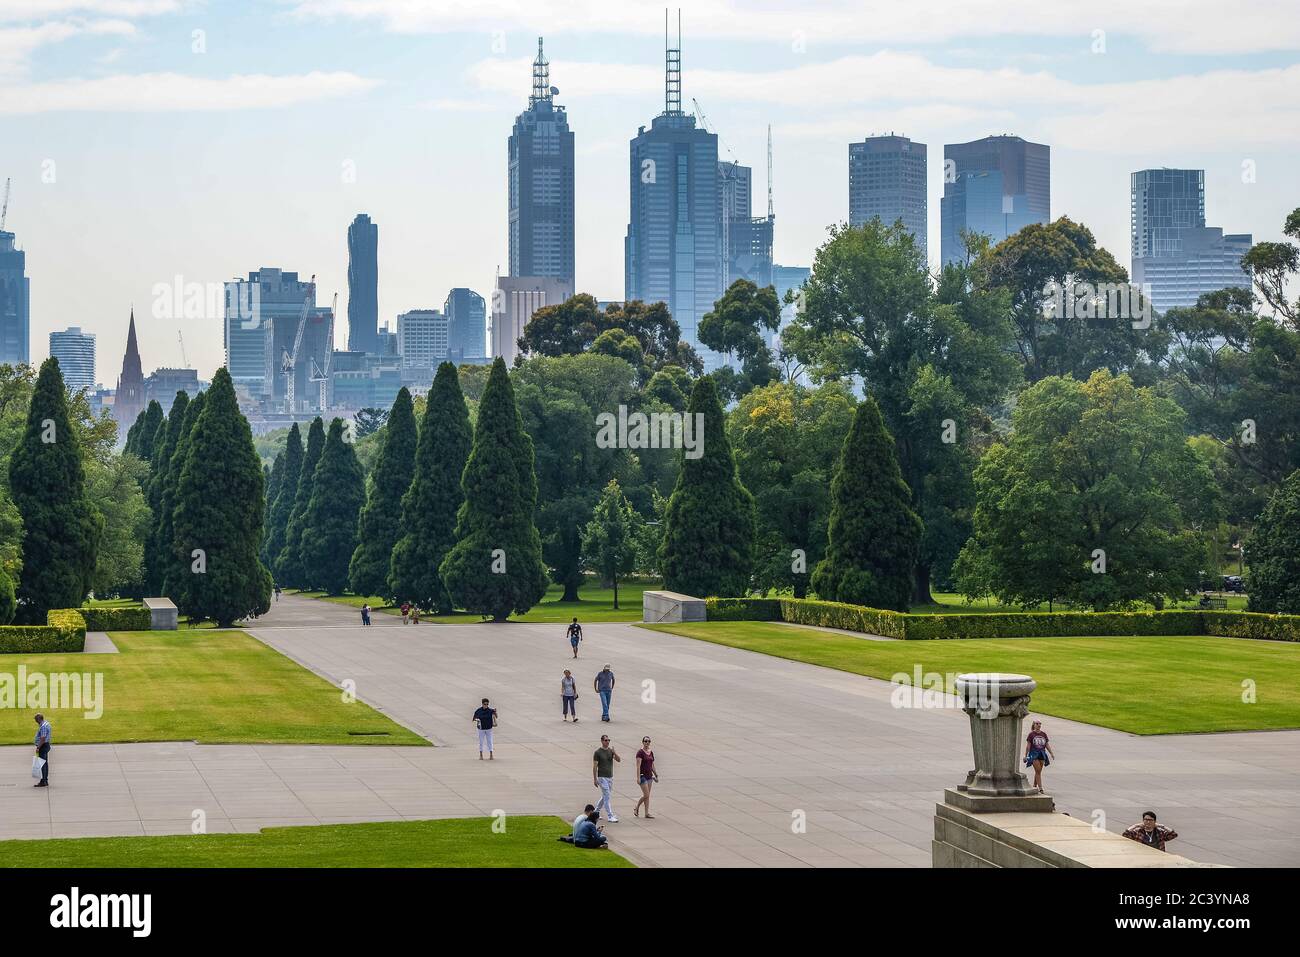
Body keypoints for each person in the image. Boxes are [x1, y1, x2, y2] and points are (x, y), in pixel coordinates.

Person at [592, 734, 621, 822]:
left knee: (605, 795)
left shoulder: (610, 751)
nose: (607, 742)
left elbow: (619, 760)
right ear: (602, 741)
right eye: (606, 740)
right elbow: (595, 766)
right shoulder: (597, 752)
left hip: (610, 777)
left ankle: (596, 812)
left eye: (608, 740)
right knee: (607, 796)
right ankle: (610, 816)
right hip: (602, 777)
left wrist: (614, 752)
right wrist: (595, 779)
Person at [1023, 720, 1054, 793]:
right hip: (1034, 754)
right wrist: (1025, 755)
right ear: (1034, 725)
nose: (1039, 725)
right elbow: (1028, 746)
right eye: (1037, 724)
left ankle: (1034, 786)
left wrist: (1051, 753)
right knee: (1038, 771)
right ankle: (1040, 788)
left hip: (1042, 754)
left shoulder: (1043, 734)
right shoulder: (1031, 734)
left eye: (1040, 723)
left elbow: (1046, 744)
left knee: (1038, 771)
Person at [634, 735, 658, 819]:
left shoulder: (651, 752)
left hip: (649, 776)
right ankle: (637, 807)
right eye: (645, 741)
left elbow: (652, 764)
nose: (647, 743)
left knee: (648, 796)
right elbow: (638, 766)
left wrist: (655, 774)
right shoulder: (640, 752)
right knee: (646, 794)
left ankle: (646, 813)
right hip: (642, 776)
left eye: (648, 741)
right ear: (643, 742)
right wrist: (638, 778)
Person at [33, 713, 51, 788]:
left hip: (43, 746)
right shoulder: (46, 723)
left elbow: (43, 738)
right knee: (45, 764)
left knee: (42, 764)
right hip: (46, 745)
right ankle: (45, 780)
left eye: (36, 720)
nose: (36, 721)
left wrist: (38, 747)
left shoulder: (43, 727)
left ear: (39, 719)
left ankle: (43, 781)